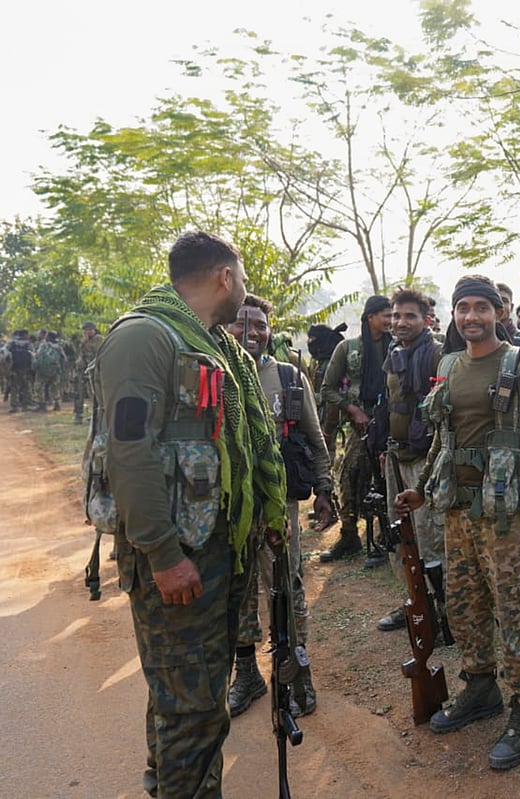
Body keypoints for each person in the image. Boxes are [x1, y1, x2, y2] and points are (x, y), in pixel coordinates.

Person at [94, 230, 288, 797]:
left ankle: (175, 785)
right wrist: (163, 553)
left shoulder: (210, 344)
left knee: (186, 697)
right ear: (225, 276)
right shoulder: (144, 337)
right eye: (243, 278)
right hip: (179, 559)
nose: (244, 290)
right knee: (194, 709)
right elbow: (129, 450)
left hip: (212, 550)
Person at [394, 274, 520, 770]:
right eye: (462, 308)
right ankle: (481, 688)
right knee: (466, 604)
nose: (471, 316)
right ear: (452, 315)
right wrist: (422, 488)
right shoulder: (448, 365)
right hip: (457, 508)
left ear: (499, 314)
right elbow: (442, 438)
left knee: (517, 609)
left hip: (507, 511)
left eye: (480, 308)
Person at [225, 294, 335, 718]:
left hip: (278, 506)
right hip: (231, 509)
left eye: (260, 326)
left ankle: (295, 673)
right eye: (241, 324)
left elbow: (314, 435)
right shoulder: (215, 373)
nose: (251, 333)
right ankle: (247, 672)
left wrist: (324, 489)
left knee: (287, 588)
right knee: (238, 591)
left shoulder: (288, 377)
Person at [376, 288, 448, 633]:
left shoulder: (437, 354)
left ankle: (444, 608)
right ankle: (414, 602)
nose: (400, 322)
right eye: (396, 316)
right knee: (400, 533)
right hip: (396, 454)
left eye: (409, 316)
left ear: (426, 320)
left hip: (426, 459)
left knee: (431, 536)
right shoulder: (394, 353)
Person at [319, 296, 394, 562]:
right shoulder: (347, 348)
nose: (390, 320)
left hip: (392, 425)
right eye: (385, 315)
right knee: (349, 478)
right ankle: (349, 536)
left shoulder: (396, 347)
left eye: (391, 315)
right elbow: (327, 389)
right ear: (370, 317)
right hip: (360, 426)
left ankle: (386, 539)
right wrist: (353, 410)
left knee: (387, 482)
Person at [74, 321, 104, 424]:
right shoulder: (84, 341)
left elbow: (96, 351)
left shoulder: (99, 339)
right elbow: (81, 354)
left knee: (96, 394)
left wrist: (86, 342)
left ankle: (97, 416)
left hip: (95, 370)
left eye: (90, 330)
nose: (88, 332)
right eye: (86, 330)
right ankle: (79, 416)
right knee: (79, 393)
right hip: (84, 371)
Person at [33, 330, 68, 412]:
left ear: (47, 337)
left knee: (39, 386)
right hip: (55, 369)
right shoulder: (59, 346)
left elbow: (38, 355)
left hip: (43, 370)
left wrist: (35, 362)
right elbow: (64, 358)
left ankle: (41, 405)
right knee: (55, 387)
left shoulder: (44, 344)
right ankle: (57, 404)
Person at [5, 329, 34, 412]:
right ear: (24, 335)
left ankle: (14, 406)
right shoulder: (29, 344)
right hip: (25, 368)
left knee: (14, 387)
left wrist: (8, 368)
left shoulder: (12, 344)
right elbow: (32, 356)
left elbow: (6, 355)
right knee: (26, 387)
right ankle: (25, 406)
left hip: (14, 368)